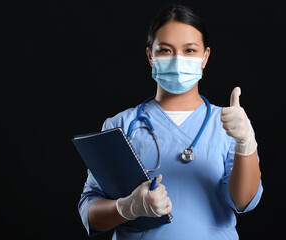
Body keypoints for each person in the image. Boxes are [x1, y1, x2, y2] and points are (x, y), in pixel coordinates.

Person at [78, 4, 263, 239]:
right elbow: (90, 213)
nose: (178, 60)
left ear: (205, 57)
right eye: (165, 50)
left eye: (189, 51)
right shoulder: (120, 126)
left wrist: (245, 142)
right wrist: (127, 208)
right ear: (150, 56)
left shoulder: (230, 123)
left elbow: (243, 200)